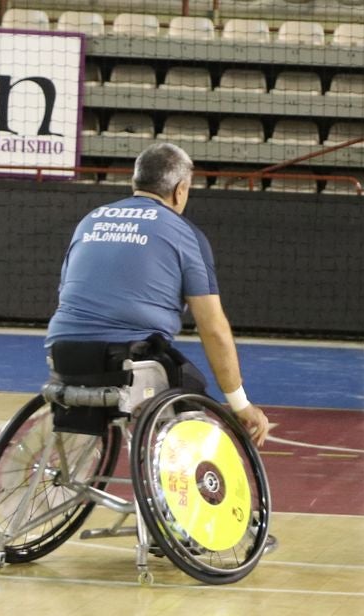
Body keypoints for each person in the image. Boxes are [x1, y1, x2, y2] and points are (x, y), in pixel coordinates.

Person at [46, 143, 269, 447]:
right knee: (190, 389)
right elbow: (213, 328)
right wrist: (241, 404)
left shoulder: (90, 220)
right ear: (180, 190)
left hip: (64, 354)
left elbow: (66, 291)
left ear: (135, 183)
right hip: (126, 361)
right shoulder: (183, 233)